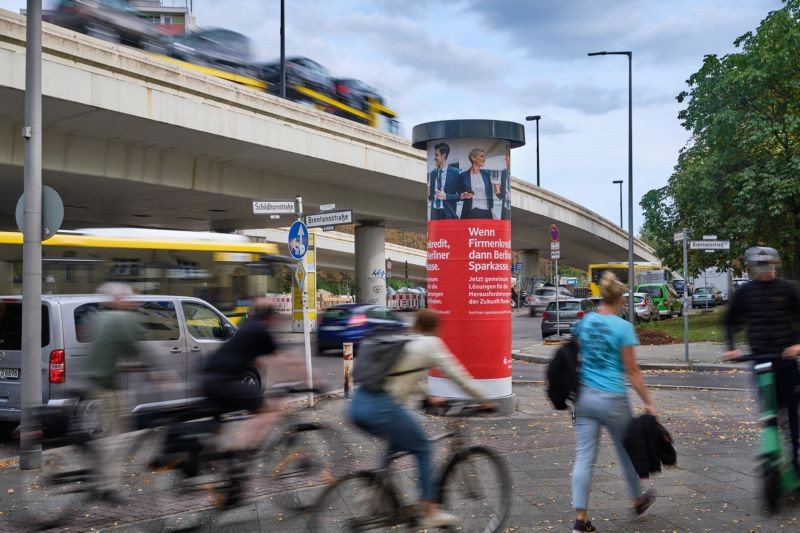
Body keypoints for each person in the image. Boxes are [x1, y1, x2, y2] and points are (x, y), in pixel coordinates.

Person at [347, 309, 491, 528]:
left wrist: (428, 396)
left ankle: (372, 496)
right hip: (382, 407)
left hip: (358, 404)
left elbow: (403, 375)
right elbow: (458, 375)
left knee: (395, 445)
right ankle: (429, 510)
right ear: (436, 327)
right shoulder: (431, 344)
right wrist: (485, 399)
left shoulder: (407, 340)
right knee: (423, 447)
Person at [570, 272, 657, 533]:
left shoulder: (586, 322)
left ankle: (580, 518)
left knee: (584, 456)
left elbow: (574, 353)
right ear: (619, 299)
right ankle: (638, 499)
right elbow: (632, 371)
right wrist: (649, 403)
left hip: (585, 396)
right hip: (613, 399)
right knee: (627, 451)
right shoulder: (623, 327)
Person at [722, 246, 800, 471]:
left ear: (775, 265)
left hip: (785, 358)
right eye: (760, 266)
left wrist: (796, 345)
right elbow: (729, 321)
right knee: (769, 411)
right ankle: (773, 453)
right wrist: (731, 348)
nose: (765, 270)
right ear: (754, 268)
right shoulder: (746, 292)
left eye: (768, 265)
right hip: (761, 360)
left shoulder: (786, 289)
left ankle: (796, 454)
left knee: (792, 409)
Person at [201, 298, 304, 450]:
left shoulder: (247, 326)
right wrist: (312, 380)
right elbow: (285, 361)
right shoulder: (261, 331)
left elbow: (258, 361)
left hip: (209, 379)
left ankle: (219, 454)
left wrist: (277, 381)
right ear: (270, 317)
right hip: (224, 382)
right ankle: (239, 453)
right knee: (267, 410)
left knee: (232, 412)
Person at [85, 282, 149, 502]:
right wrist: (158, 372)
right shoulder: (121, 319)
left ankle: (99, 476)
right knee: (116, 436)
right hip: (107, 385)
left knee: (105, 433)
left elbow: (109, 352)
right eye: (128, 298)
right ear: (118, 299)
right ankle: (107, 486)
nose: (132, 302)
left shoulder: (99, 318)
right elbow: (139, 349)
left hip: (90, 382)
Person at [428, 142, 462, 220]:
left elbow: (461, 196)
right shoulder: (433, 173)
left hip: (448, 214)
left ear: (443, 156)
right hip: (434, 214)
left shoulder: (455, 173)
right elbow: (431, 197)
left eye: (436, 155)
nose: (434, 157)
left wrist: (446, 196)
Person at [458, 148, 494, 219]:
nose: (484, 159)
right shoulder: (463, 176)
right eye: (481, 156)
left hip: (486, 212)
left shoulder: (486, 175)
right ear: (473, 158)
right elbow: (458, 194)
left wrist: (491, 209)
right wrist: (463, 195)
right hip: (470, 212)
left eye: (484, 157)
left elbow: (490, 193)